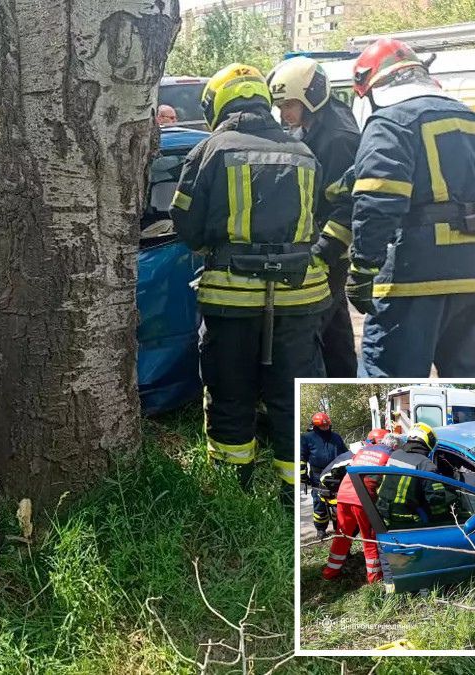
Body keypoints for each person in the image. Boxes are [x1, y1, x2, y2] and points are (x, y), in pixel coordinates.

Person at [171, 63, 330, 505]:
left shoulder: (209, 150)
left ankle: (232, 488)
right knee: (290, 393)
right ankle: (293, 491)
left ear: (217, 103)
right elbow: (315, 219)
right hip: (300, 298)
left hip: (231, 298)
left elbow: (185, 224)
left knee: (230, 389)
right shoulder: (303, 152)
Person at [345, 39, 475, 377]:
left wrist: (362, 267)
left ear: (375, 86)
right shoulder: (470, 118)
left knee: (389, 374)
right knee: (473, 375)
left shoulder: (390, 122)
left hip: (416, 272)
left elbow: (379, 200)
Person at [268, 57, 361, 377]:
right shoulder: (313, 126)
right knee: (335, 329)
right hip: (321, 244)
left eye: (290, 104)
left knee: (310, 326)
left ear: (311, 97)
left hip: (328, 248)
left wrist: (323, 251)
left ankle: (299, 397)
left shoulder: (337, 137)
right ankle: (342, 377)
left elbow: (347, 203)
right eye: (280, 106)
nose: (284, 113)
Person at [322, 438, 392, 583]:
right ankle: (374, 578)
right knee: (369, 538)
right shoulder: (389, 456)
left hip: (343, 495)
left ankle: (330, 572)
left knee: (342, 535)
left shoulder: (363, 451)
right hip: (362, 499)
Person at [374, 422, 453, 529]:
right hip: (406, 518)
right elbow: (436, 500)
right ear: (428, 441)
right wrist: (445, 521)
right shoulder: (426, 465)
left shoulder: (395, 454)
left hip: (383, 512)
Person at [300, 412, 348, 538]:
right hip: (318, 476)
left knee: (338, 505)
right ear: (316, 426)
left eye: (327, 426)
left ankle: (339, 529)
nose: (325, 428)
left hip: (336, 474)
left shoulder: (336, 437)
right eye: (322, 426)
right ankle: (321, 530)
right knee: (319, 505)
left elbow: (346, 455)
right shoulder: (306, 438)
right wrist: (302, 474)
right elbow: (301, 456)